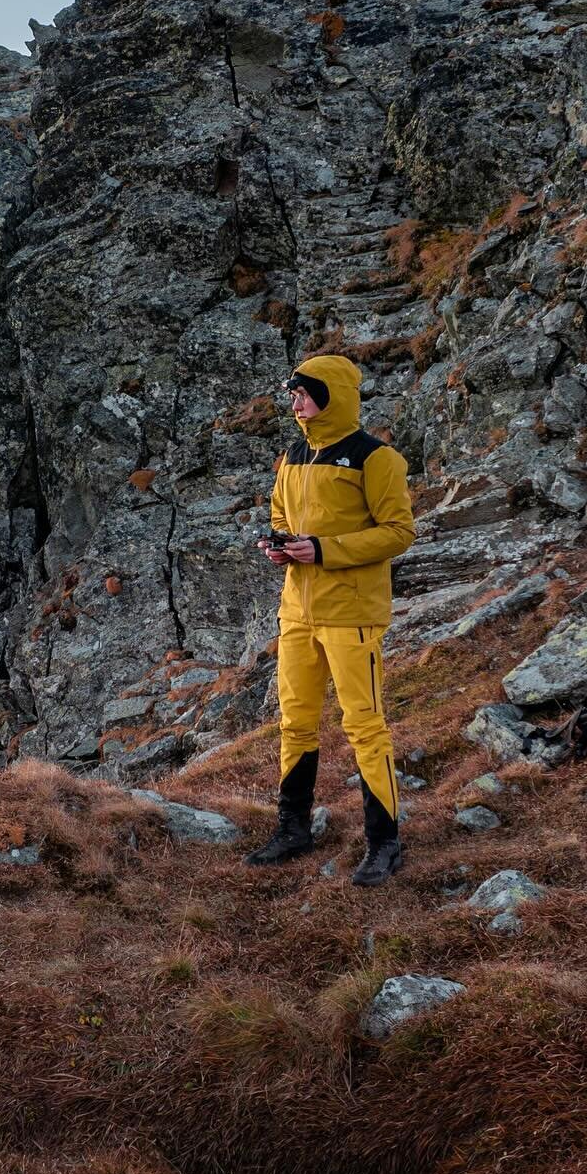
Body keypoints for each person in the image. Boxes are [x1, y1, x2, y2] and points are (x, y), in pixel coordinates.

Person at [245, 354, 416, 886]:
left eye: (304, 393)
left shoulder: (377, 458)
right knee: (294, 722)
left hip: (351, 616)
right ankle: (292, 830)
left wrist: (322, 550)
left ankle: (384, 844)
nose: (295, 403)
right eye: (293, 393)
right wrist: (282, 545)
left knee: (364, 725)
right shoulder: (294, 453)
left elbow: (398, 532)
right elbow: (281, 512)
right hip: (297, 612)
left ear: (332, 395)